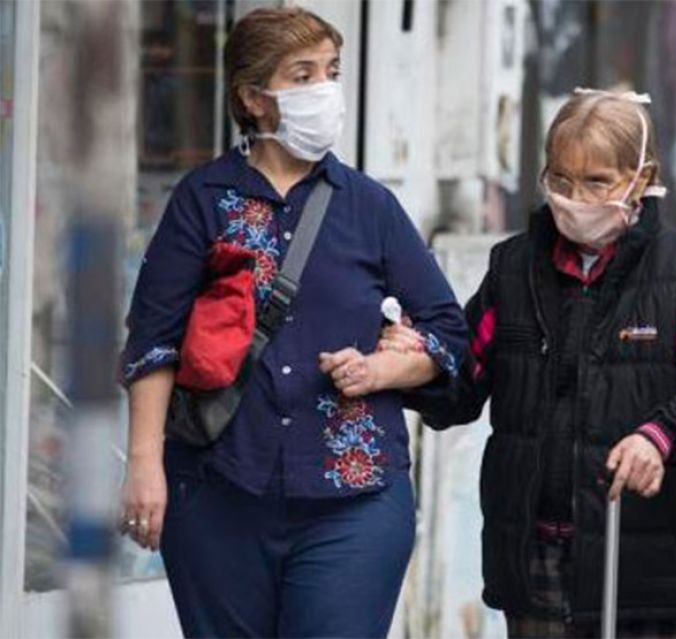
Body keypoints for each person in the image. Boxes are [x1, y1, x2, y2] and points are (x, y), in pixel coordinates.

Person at [117, 7, 466, 637]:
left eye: (331, 72)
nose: (325, 90)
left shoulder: (370, 207)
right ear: (254, 97)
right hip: (218, 490)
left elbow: (449, 336)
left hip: (355, 499)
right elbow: (153, 341)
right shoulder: (202, 201)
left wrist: (384, 368)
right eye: (302, 74)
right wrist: (144, 466)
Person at [381, 89, 676, 638]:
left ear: (641, 176)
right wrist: (418, 358)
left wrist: (660, 436)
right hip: (537, 559)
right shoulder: (513, 271)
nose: (574, 198)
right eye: (561, 180)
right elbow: (461, 385)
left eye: (597, 182)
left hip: (659, 576)